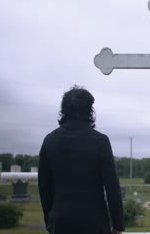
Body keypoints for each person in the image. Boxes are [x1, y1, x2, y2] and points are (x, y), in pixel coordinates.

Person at [38, 85, 124, 234]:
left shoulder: (49, 141)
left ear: (63, 110)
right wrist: (117, 225)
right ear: (90, 111)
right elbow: (112, 187)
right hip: (94, 223)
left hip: (60, 222)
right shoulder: (100, 141)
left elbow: (44, 187)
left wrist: (49, 220)